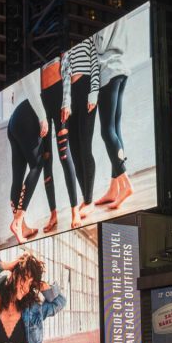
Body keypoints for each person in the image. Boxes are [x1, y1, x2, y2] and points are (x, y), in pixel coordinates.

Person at [92, 17, 134, 211]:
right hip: (121, 68)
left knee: (106, 131)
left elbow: (99, 46)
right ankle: (114, 187)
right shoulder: (122, 16)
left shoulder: (105, 15)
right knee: (115, 130)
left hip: (108, 70)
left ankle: (125, 183)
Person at [5, 72, 49, 244]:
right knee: (37, 164)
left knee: (18, 176)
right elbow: (31, 87)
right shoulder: (29, 65)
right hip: (26, 112)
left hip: (13, 121)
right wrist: (43, 117)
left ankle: (22, 227)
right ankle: (17, 222)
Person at [61, 38, 101, 221]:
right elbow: (64, 77)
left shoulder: (88, 40)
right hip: (71, 97)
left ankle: (90, 200)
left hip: (86, 88)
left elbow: (95, 65)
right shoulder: (65, 50)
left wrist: (94, 92)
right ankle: (86, 199)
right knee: (75, 151)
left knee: (85, 147)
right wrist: (66, 103)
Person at [40, 57, 79, 231]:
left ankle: (75, 211)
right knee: (45, 158)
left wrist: (66, 101)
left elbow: (67, 69)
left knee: (64, 155)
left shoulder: (59, 45)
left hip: (58, 93)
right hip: (42, 101)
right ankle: (53, 214)